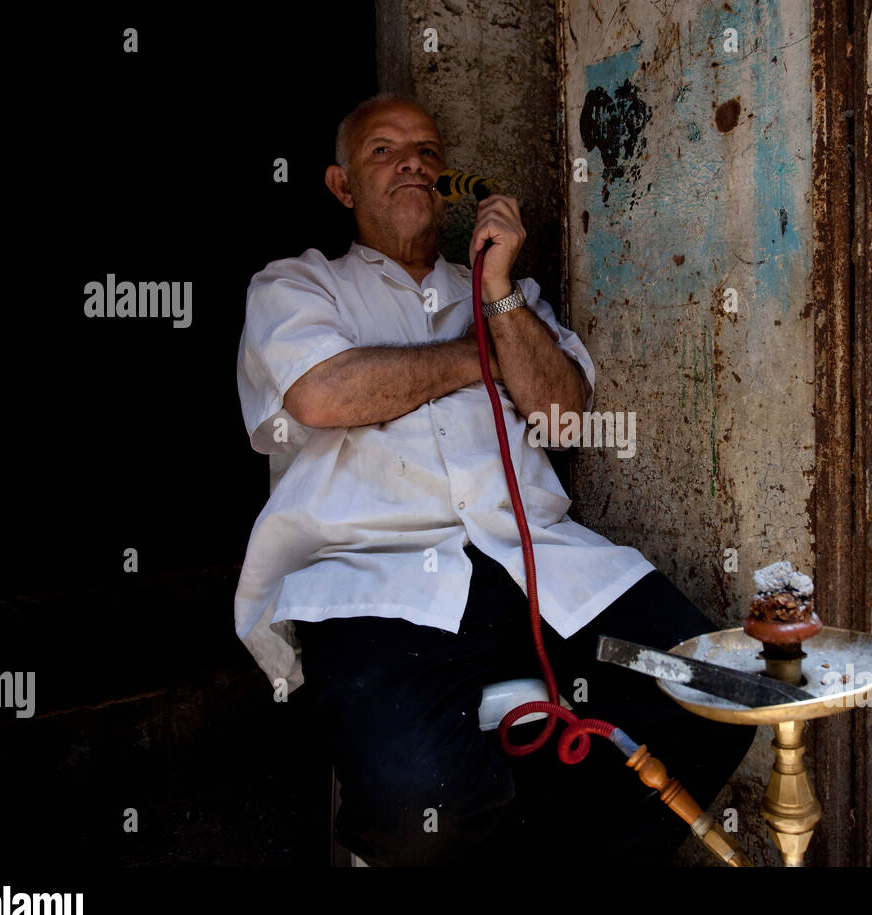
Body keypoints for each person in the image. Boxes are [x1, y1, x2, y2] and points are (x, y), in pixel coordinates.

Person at [234, 92, 755, 866]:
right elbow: (324, 392)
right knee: (421, 804)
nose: (413, 161)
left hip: (535, 561)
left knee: (713, 690)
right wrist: (480, 359)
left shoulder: (511, 301)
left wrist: (499, 292)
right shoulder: (298, 287)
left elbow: (563, 415)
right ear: (343, 186)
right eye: (384, 150)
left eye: (428, 152)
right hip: (374, 583)